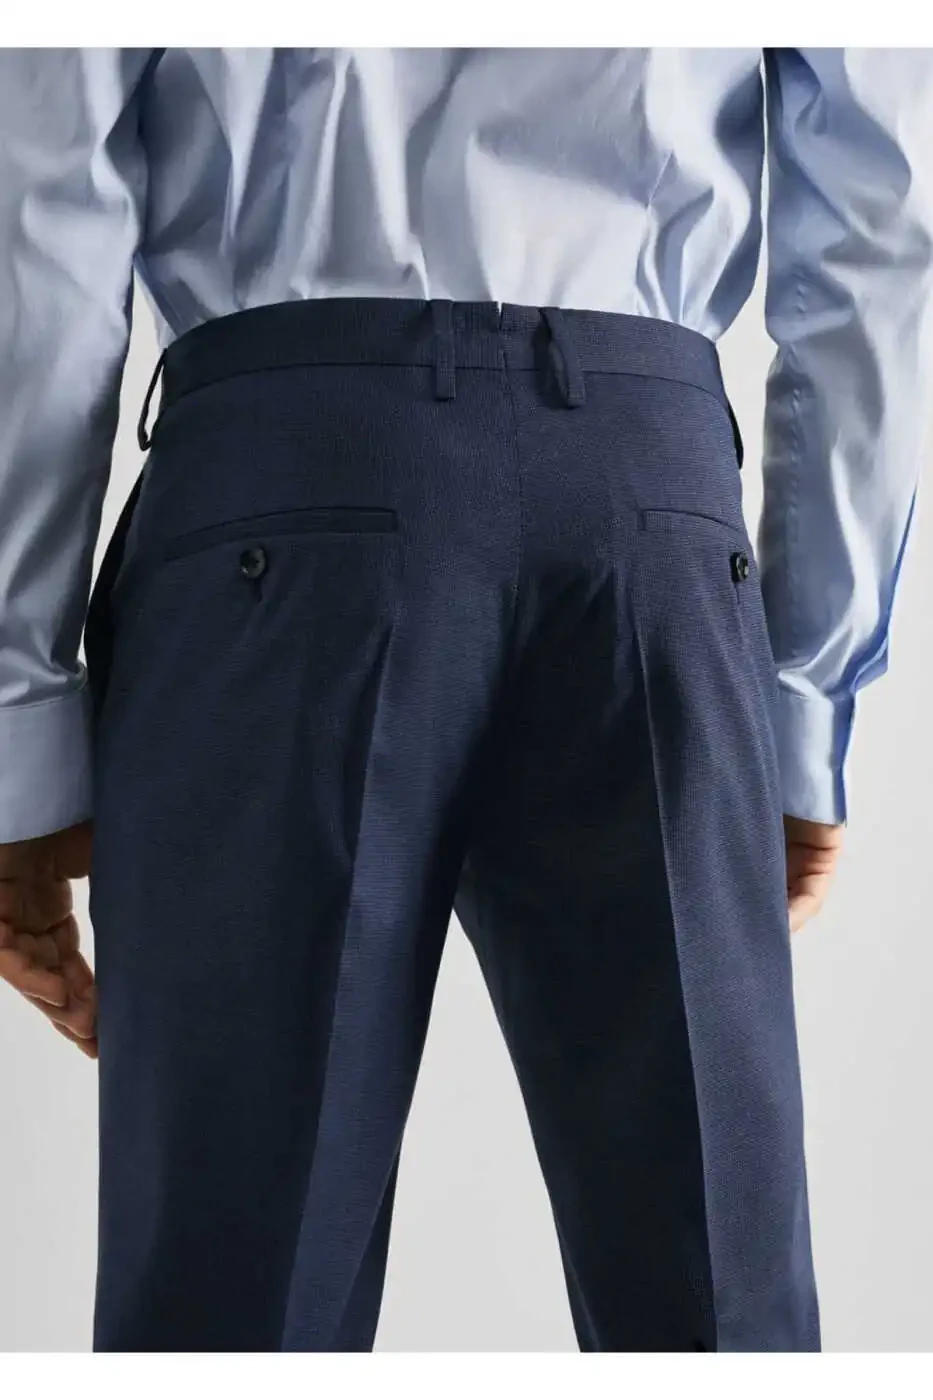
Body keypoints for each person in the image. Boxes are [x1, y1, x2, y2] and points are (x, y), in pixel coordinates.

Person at [0, 47, 930, 1354]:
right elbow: (880, 221)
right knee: (718, 1307)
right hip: (646, 507)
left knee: (233, 1308)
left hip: (281, 506)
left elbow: (37, 204)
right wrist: (805, 699)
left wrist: (20, 719)